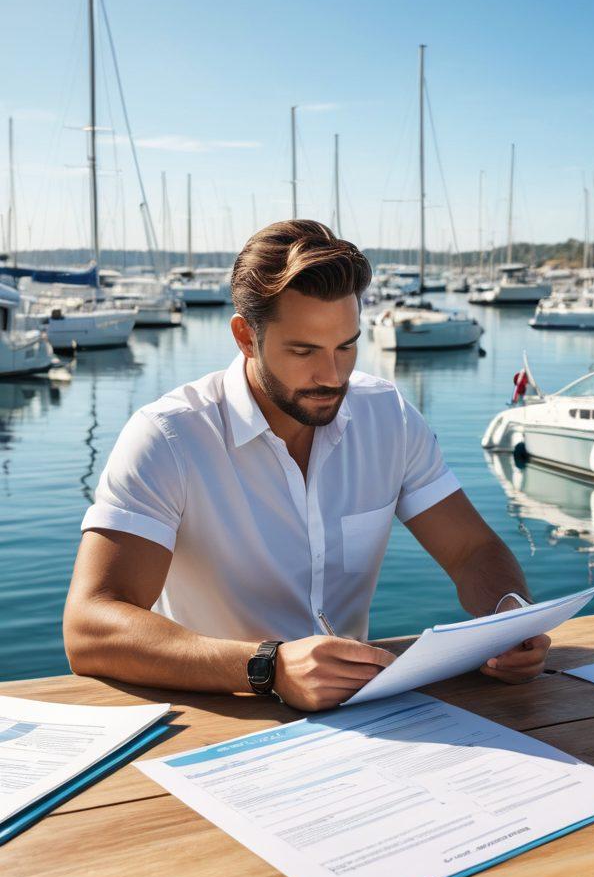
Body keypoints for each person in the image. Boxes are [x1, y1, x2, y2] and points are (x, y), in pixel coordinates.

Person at [64, 220, 550, 710]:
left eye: (346, 346)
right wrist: (268, 667)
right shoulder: (169, 437)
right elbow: (90, 625)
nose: (332, 375)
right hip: (219, 722)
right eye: (304, 351)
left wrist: (510, 619)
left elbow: (471, 550)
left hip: (364, 718)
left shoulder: (389, 418)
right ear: (245, 337)